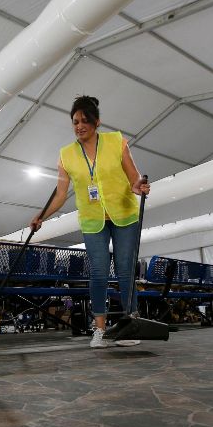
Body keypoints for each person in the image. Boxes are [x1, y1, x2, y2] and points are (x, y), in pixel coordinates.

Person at [30, 96, 150, 349]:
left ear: (97, 122)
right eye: (75, 122)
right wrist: (42, 216)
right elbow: (60, 194)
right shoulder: (66, 155)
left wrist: (138, 186)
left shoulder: (117, 142)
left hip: (124, 215)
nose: (79, 126)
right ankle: (100, 329)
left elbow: (133, 177)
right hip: (93, 219)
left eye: (85, 121)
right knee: (98, 273)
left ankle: (131, 323)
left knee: (126, 270)